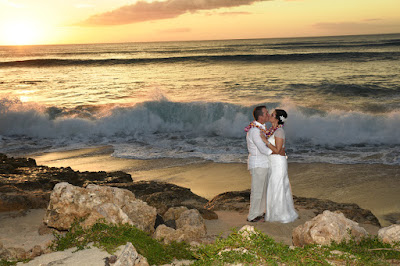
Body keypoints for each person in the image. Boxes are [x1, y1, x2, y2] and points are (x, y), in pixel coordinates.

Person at [260, 109, 298, 223]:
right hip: (272, 162)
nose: (270, 116)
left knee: (278, 187)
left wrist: (265, 141)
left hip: (278, 163)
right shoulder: (272, 130)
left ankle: (281, 215)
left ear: (277, 119)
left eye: (272, 115)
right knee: (273, 186)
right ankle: (273, 214)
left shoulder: (279, 131)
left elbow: (277, 150)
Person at [245, 105, 273, 222]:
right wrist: (276, 152)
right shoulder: (255, 131)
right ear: (260, 116)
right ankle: (252, 216)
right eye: (266, 113)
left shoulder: (261, 128)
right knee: (257, 191)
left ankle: (260, 212)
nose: (268, 115)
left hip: (264, 163)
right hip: (258, 164)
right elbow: (262, 149)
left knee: (263, 191)